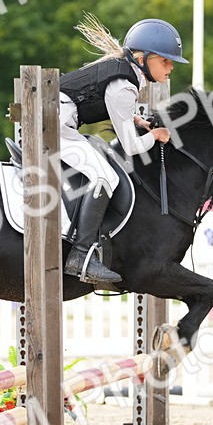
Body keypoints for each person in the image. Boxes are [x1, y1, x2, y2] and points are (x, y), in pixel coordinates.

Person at [57, 15, 182, 284]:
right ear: (143, 58)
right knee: (106, 176)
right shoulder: (124, 85)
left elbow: (111, 109)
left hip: (62, 122)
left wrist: (137, 120)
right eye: (165, 60)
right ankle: (81, 255)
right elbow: (132, 146)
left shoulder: (124, 75)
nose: (170, 67)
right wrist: (157, 135)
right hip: (56, 128)